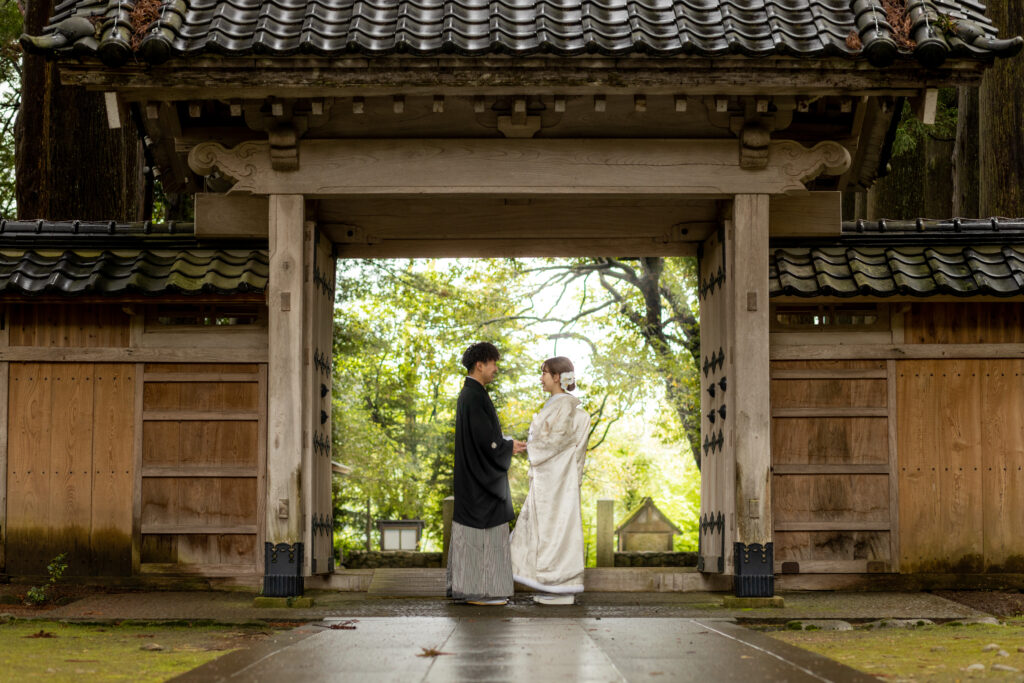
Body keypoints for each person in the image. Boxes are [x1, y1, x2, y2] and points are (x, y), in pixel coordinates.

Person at [449, 342, 526, 606]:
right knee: (483, 533)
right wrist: (507, 447)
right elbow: (485, 441)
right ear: (480, 364)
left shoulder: (472, 394)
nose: (496, 368)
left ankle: (478, 590)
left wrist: (504, 445)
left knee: (479, 534)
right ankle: (481, 592)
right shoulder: (473, 396)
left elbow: (484, 438)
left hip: (474, 476)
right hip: (479, 481)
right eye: (493, 363)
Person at [510, 356, 590, 605]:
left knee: (556, 530)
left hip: (556, 479)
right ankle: (552, 585)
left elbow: (555, 442)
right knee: (551, 530)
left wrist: (530, 447)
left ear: (557, 377)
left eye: (544, 373)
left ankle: (560, 586)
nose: (541, 378)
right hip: (553, 478)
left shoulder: (564, 407)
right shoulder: (559, 406)